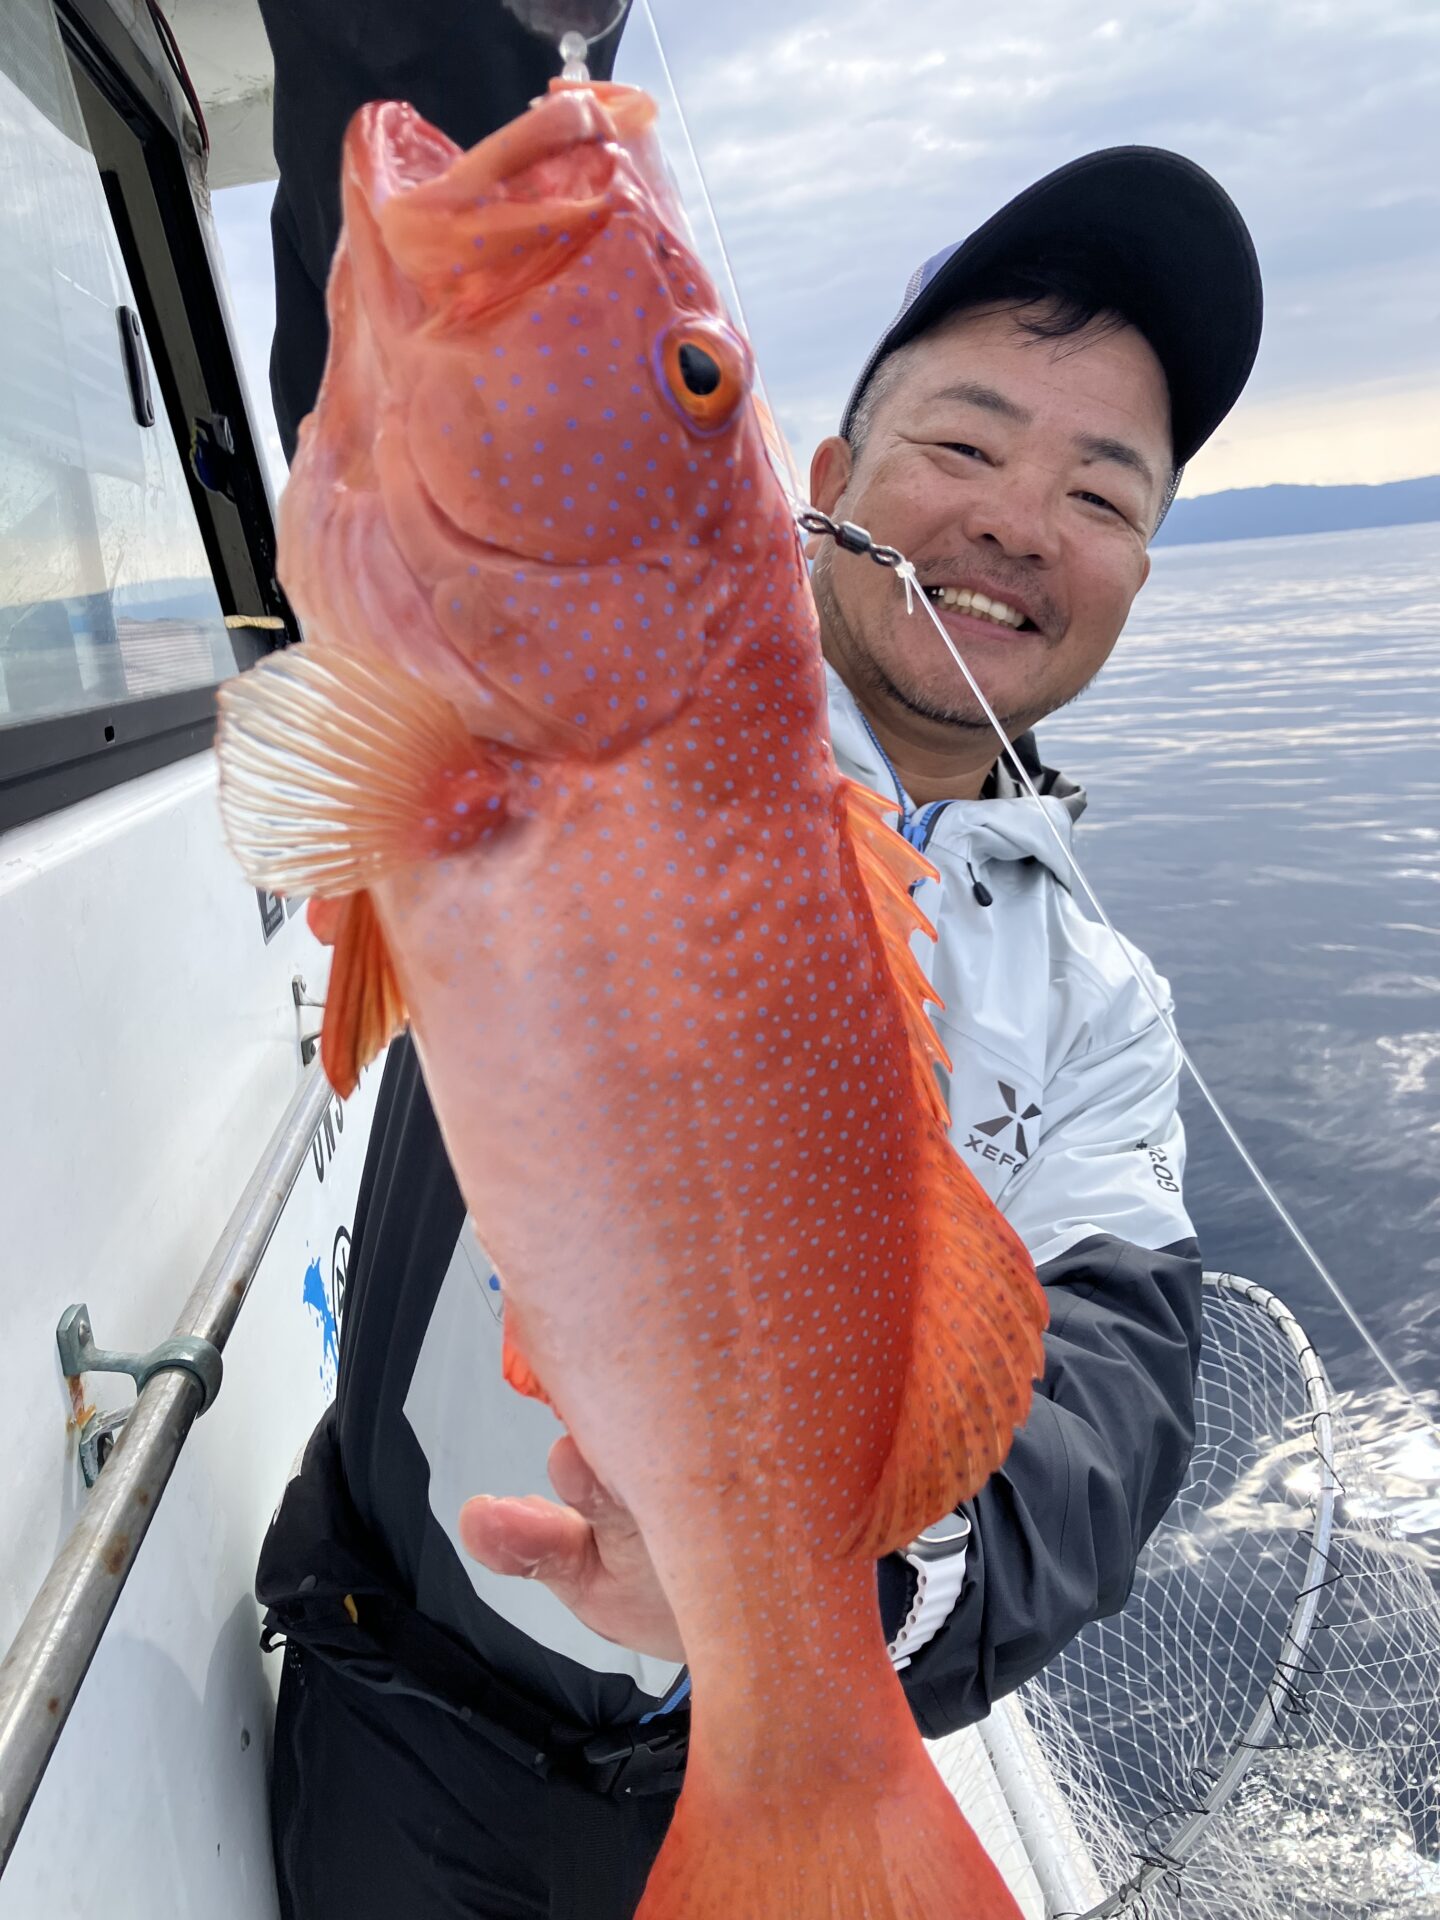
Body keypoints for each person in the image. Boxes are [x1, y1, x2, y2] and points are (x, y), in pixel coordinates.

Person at [251, 4, 1262, 1916]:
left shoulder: (1105, 1013)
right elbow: (459, 355)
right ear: (828, 469)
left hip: (764, 1742)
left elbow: (1112, 1403)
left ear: (1142, 570)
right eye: (965, 440)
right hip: (413, 1719)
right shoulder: (582, 661)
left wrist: (841, 1596)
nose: (1015, 522)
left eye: (1103, 495)